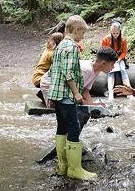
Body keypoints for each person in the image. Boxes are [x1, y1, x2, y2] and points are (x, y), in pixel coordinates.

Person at [48, 15, 96, 180]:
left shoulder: (60, 45)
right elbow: (68, 73)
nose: (83, 36)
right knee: (73, 130)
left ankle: (62, 166)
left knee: (61, 128)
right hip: (67, 95)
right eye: (82, 33)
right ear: (76, 30)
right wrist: (76, 92)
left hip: (57, 94)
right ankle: (75, 169)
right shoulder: (72, 47)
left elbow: (55, 70)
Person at [40, 47, 118, 107]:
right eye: (112, 64)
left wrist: (92, 105)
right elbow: (74, 93)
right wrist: (91, 105)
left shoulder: (96, 71)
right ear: (103, 63)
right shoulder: (85, 69)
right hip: (50, 83)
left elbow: (85, 90)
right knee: (62, 107)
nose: (113, 67)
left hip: (67, 87)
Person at [101, 21, 133, 101]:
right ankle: (111, 93)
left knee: (123, 70)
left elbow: (124, 52)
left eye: (117, 33)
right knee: (111, 72)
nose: (115, 35)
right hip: (109, 59)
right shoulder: (106, 39)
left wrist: (118, 59)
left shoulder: (123, 40)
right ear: (111, 32)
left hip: (119, 59)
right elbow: (103, 51)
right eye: (113, 33)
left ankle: (129, 92)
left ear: (120, 32)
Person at [32, 32, 64, 101]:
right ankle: (45, 95)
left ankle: (43, 93)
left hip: (36, 77)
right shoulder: (52, 54)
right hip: (40, 78)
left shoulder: (48, 50)